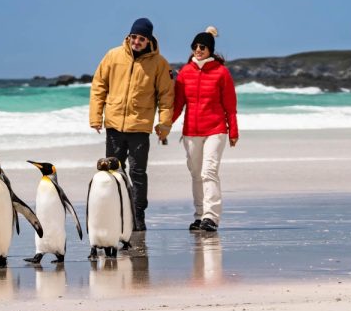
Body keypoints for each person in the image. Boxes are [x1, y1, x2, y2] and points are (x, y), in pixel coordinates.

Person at [88, 17, 174, 232]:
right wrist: (95, 117)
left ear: (149, 40)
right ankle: (116, 213)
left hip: (140, 127)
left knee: (137, 172)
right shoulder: (113, 55)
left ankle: (137, 214)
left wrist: (164, 125)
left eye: (142, 38)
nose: (137, 41)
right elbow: (99, 86)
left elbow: (165, 96)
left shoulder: (159, 63)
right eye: (134, 37)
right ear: (129, 36)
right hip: (114, 125)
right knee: (114, 173)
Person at [171, 26, 238, 232]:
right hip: (191, 131)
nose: (198, 50)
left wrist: (233, 131)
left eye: (202, 46)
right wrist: (165, 125)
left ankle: (211, 217)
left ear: (210, 50)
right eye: (195, 46)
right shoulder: (185, 72)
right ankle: (200, 215)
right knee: (196, 173)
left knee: (209, 171)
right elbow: (178, 104)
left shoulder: (221, 73)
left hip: (215, 129)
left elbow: (230, 105)